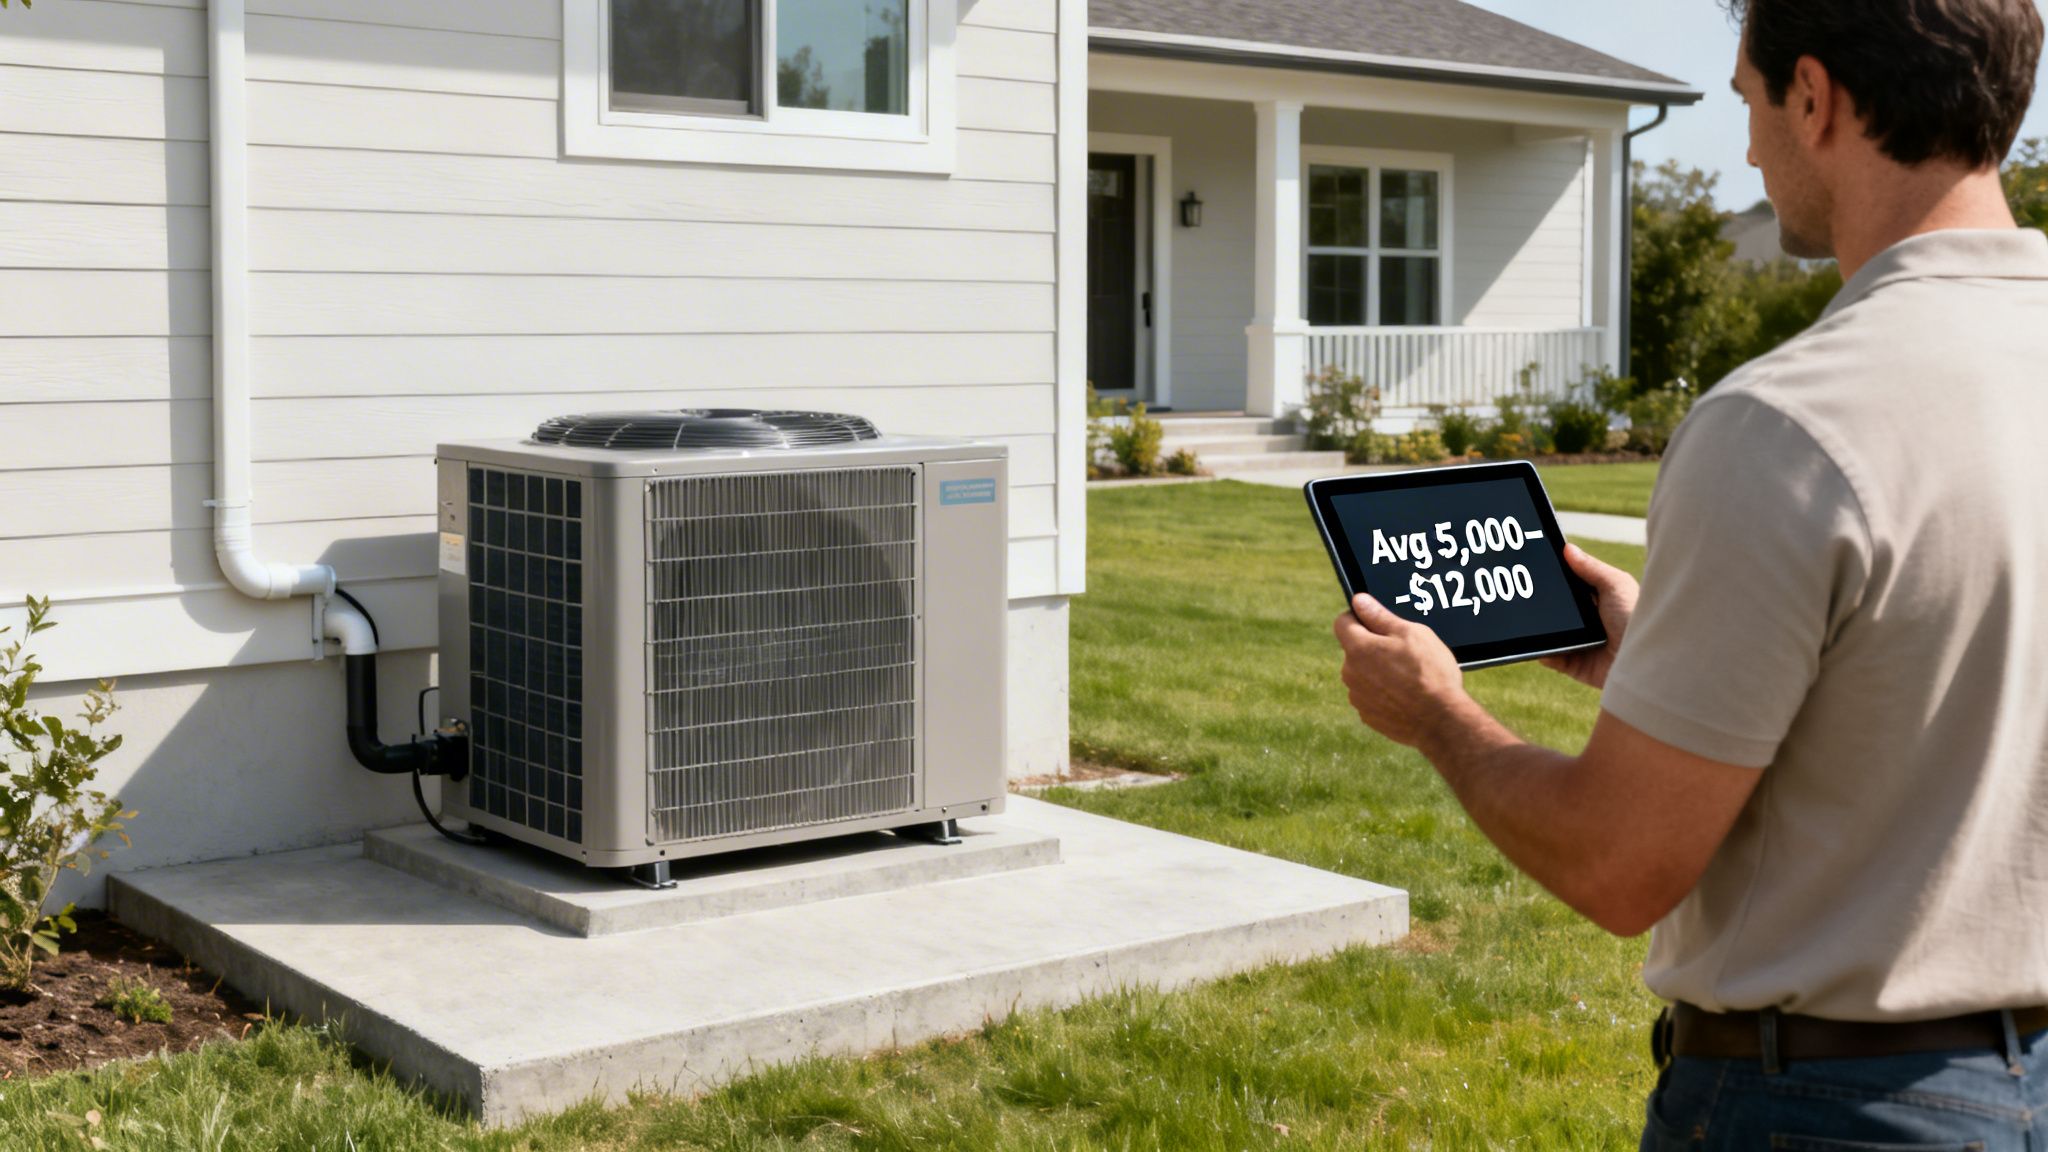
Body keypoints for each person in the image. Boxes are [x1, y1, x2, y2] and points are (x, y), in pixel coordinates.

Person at [1330, 0, 2048, 1146]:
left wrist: (1437, 717)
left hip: (1829, 1109)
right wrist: (1660, 664)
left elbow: (1618, 865)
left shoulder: (1788, 420)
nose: (1750, 147)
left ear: (1812, 98)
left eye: (1748, 105)